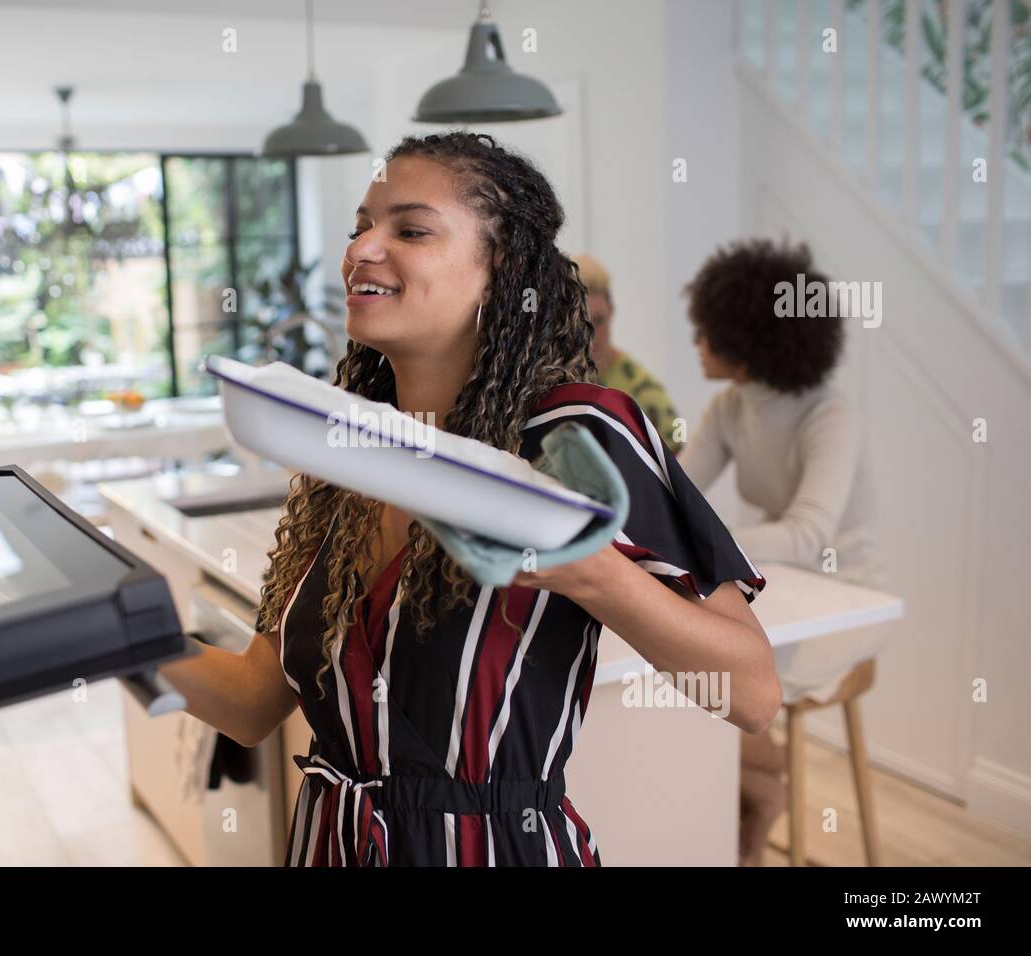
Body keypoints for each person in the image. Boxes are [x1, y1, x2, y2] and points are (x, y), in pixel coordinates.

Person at [160, 132, 779, 867]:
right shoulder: (341, 451)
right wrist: (110, 639)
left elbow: (752, 692)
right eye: (361, 225)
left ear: (500, 272)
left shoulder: (577, 434)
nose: (361, 249)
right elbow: (253, 701)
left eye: (410, 229)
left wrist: (588, 570)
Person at [677, 237, 885, 866]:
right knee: (690, 667)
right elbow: (681, 497)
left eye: (706, 331)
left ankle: (754, 809)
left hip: (846, 598)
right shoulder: (731, 405)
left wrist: (703, 545)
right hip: (780, 589)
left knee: (722, 680)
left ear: (746, 340)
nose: (697, 343)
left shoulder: (829, 415)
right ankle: (755, 807)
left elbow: (807, 534)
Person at [572, 252, 684, 452]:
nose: (591, 336)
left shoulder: (646, 394)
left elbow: (679, 466)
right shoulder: (548, 381)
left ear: (611, 311)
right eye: (581, 323)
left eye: (598, 321)